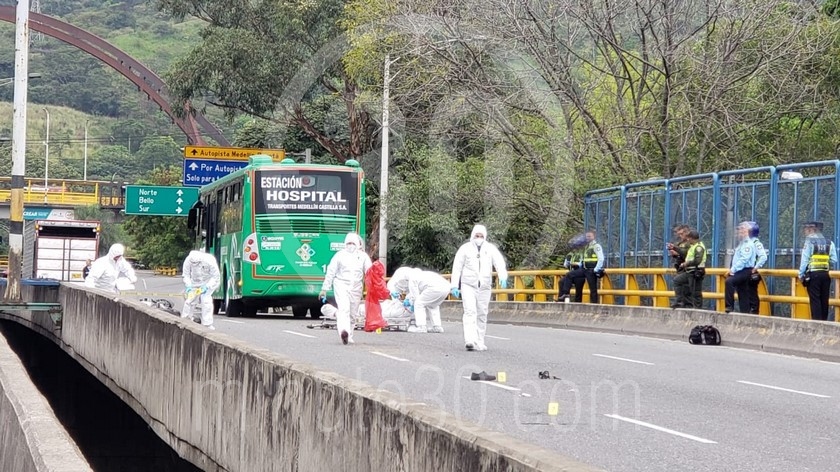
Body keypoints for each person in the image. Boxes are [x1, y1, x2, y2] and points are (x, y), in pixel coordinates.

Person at [450, 224, 508, 351]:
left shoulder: (490, 249)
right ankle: (470, 340)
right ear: (472, 235)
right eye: (477, 235)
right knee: (470, 311)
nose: (479, 238)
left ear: (485, 236)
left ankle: (480, 340)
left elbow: (499, 262)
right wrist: (454, 285)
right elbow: (457, 267)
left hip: (485, 286)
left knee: (482, 313)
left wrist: (502, 276)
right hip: (468, 285)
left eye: (481, 236)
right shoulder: (465, 249)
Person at [319, 232, 373, 345]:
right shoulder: (339, 255)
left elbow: (370, 272)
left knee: (353, 313)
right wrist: (325, 288)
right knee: (344, 309)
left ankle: (349, 335)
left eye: (353, 243)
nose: (351, 245)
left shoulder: (363, 257)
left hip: (356, 287)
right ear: (345, 243)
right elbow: (331, 272)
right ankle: (344, 331)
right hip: (341, 285)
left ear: (358, 244)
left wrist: (373, 288)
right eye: (348, 243)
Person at [798, 221, 837, 321]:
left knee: (815, 300)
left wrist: (801, 275)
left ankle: (817, 323)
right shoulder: (829, 242)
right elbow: (834, 259)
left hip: (813, 275)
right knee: (824, 300)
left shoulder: (809, 241)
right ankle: (824, 322)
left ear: (812, 229)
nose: (805, 231)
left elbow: (805, 259)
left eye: (806, 229)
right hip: (825, 275)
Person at [724, 221, 767, 314]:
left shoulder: (752, 242)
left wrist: (756, 268)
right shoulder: (742, 243)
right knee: (743, 292)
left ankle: (732, 307)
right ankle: (745, 312)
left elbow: (761, 256)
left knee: (733, 283)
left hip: (747, 270)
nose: (739, 233)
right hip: (742, 270)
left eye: (741, 230)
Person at [180, 250, 221, 330]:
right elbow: (186, 275)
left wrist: (207, 286)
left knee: (205, 300)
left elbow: (216, 276)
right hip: (194, 283)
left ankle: (207, 324)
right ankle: (185, 319)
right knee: (190, 300)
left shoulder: (209, 260)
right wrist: (188, 286)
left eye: (196, 263)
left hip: (208, 282)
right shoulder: (188, 260)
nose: (194, 265)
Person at [679, 230, 706, 309]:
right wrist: (675, 248)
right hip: (690, 270)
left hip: (697, 271)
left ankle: (698, 308)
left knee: (696, 291)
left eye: (689, 238)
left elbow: (698, 260)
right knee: (681, 283)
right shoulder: (693, 246)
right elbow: (684, 252)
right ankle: (688, 305)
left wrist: (687, 263)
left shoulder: (699, 247)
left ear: (692, 238)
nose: (688, 240)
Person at [557, 234, 587, 302]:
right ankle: (562, 299)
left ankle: (577, 303)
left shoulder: (584, 252)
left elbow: (583, 263)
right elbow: (565, 264)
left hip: (580, 273)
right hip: (572, 273)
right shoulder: (571, 254)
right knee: (561, 282)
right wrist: (568, 262)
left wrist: (577, 264)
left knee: (578, 290)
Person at [668, 225, 691, 308]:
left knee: (682, 285)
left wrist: (677, 250)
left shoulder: (690, 243)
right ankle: (682, 303)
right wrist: (675, 254)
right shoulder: (680, 243)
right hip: (680, 267)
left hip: (689, 268)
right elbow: (680, 254)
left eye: (681, 234)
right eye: (679, 234)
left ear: (686, 233)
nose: (680, 236)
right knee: (683, 287)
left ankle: (682, 303)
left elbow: (688, 254)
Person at [581, 230, 605, 304]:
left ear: (593, 237)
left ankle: (594, 304)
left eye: (589, 236)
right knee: (571, 276)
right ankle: (576, 301)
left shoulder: (596, 246)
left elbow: (601, 258)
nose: (587, 238)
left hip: (591, 270)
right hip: (584, 269)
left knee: (593, 288)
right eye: (586, 236)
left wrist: (595, 269)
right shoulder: (587, 246)